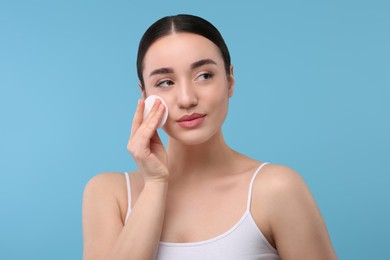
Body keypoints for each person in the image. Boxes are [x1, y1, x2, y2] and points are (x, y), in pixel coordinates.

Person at [82, 14, 337, 260]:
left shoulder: (277, 189)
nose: (187, 99)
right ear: (144, 95)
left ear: (230, 80)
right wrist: (156, 183)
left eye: (204, 76)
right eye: (165, 82)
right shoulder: (109, 194)